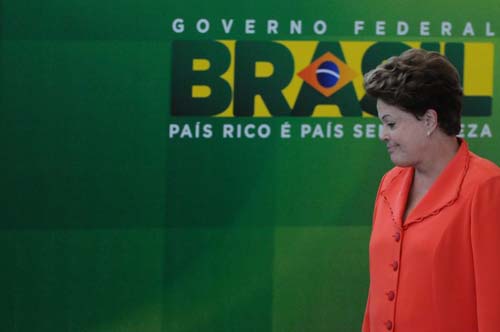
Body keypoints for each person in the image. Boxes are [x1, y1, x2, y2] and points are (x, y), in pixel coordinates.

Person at [361, 48, 500, 332]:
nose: (382, 135)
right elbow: (376, 298)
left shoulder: (487, 188)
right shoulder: (389, 183)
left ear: (429, 121)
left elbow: (494, 308)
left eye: (391, 124)